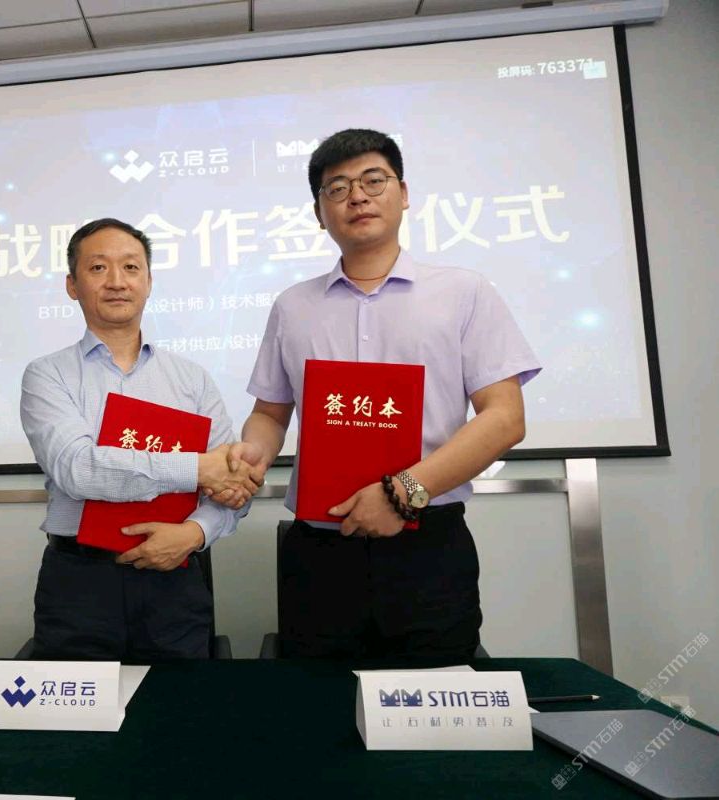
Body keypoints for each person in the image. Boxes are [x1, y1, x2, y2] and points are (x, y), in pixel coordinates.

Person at [223, 129, 541, 661]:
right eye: (337, 188)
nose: (357, 197)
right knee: (318, 702)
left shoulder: (464, 292)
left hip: (427, 544)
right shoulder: (293, 306)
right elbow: (270, 413)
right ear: (319, 213)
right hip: (320, 549)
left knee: (433, 701)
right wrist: (252, 453)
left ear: (404, 193)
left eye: (374, 181)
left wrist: (404, 492)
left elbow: (505, 418)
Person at [20, 218, 258, 660]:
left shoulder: (191, 380)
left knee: (178, 704)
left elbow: (232, 486)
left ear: (148, 282)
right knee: (78, 706)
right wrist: (197, 468)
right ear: (72, 285)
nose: (117, 281)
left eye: (131, 267)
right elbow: (78, 470)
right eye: (98, 268)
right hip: (79, 583)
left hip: (176, 580)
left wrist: (195, 533)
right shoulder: (47, 375)